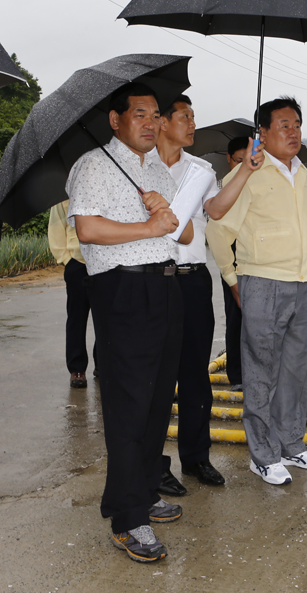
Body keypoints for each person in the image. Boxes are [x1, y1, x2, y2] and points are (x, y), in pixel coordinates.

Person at [66, 82, 195, 563]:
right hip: (122, 288)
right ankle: (127, 519)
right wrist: (147, 226)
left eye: (155, 114)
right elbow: (89, 229)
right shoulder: (94, 164)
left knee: (160, 396)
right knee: (128, 402)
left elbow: (183, 231)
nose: (150, 122)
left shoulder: (157, 166)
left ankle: (141, 489)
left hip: (166, 284)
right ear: (115, 120)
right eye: (139, 113)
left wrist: (166, 211)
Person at [207, 97, 307, 486]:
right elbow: (217, 228)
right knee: (260, 371)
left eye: (297, 125)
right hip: (262, 282)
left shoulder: (303, 172)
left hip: (302, 282)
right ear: (264, 132)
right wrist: (232, 278)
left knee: (297, 369)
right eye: (284, 125)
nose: (293, 133)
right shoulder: (247, 173)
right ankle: (262, 454)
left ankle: (291, 442)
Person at [151, 95, 262, 495]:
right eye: (184, 117)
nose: (192, 123)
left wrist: (245, 172)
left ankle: (196, 457)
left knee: (195, 373)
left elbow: (215, 211)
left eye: (193, 116)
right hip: (154, 280)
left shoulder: (201, 169)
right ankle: (155, 465)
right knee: (158, 376)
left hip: (194, 279)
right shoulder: (138, 169)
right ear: (162, 123)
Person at [48, 200, 91, 389]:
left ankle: (104, 363)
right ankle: (77, 369)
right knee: (77, 318)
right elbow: (56, 228)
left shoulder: (105, 184)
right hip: (78, 262)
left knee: (107, 317)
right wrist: (67, 261)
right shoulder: (62, 195)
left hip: (107, 263)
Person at [219, 137, 248, 391]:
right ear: (228, 159)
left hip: (255, 259)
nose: (242, 166)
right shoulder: (223, 189)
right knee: (236, 317)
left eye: (246, 161)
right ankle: (237, 374)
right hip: (231, 259)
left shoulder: (255, 183)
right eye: (238, 161)